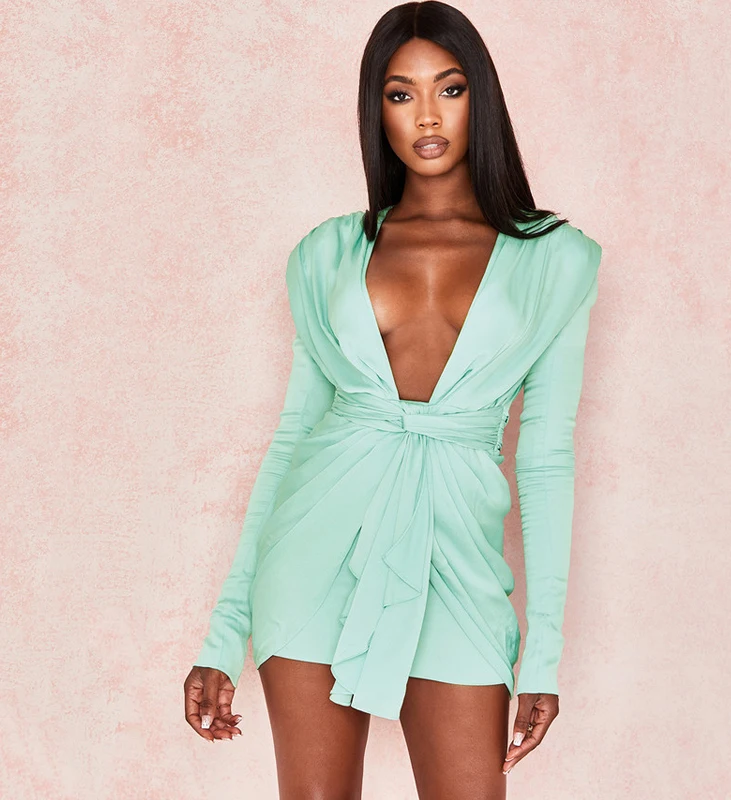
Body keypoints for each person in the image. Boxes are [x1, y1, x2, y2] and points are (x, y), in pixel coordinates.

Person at [183, 2, 602, 797]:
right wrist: (222, 635)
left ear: (481, 98)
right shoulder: (326, 254)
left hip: (458, 561)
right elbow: (294, 437)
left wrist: (542, 658)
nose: (427, 115)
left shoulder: (557, 260)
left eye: (450, 88)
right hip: (313, 552)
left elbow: (546, 458)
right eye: (400, 94)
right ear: (376, 110)